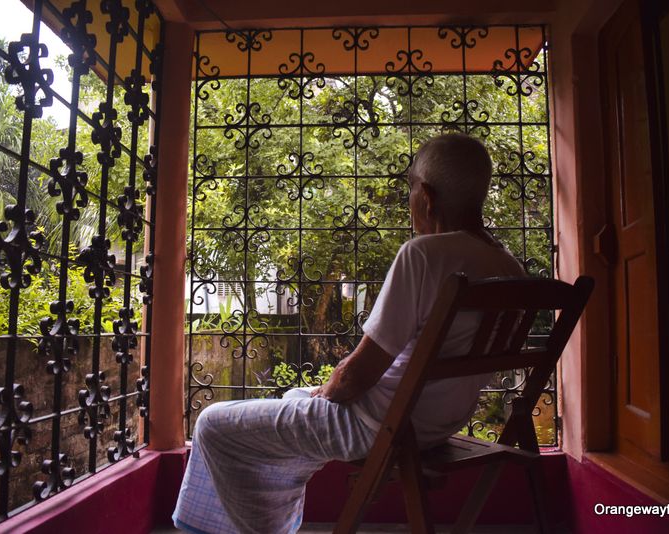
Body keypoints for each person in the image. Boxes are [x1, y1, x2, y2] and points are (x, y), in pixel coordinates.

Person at [172, 133, 525, 534]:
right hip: (435, 425)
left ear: (425, 195)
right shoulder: (509, 266)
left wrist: (328, 388)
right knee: (292, 399)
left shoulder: (424, 255)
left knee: (214, 424)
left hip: (379, 426)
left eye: (409, 189)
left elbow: (357, 375)